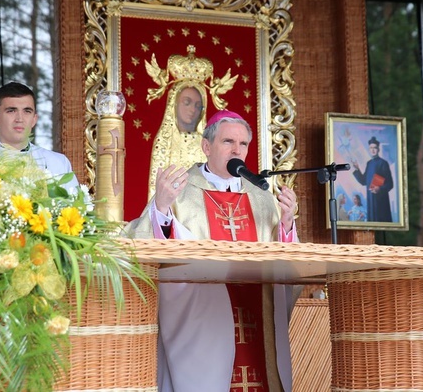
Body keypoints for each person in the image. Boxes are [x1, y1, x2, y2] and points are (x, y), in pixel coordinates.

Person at [125, 110, 298, 392]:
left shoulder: (263, 198)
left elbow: (284, 260)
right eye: (228, 141)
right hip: (203, 318)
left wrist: (287, 223)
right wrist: (162, 209)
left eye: (243, 144)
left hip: (256, 312)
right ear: (207, 147)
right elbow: (148, 243)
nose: (237, 150)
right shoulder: (180, 189)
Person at [0, 82, 78, 190]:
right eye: (11, 111)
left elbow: (75, 206)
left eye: (27, 111)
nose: (19, 119)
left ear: (34, 119)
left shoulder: (58, 163)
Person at [148, 83, 207, 199]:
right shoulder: (164, 141)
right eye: (187, 103)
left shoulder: (205, 144)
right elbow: (155, 187)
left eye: (198, 106)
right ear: (174, 104)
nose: (192, 109)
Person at [351, 136, 394, 222]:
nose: (373, 150)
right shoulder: (369, 163)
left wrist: (379, 189)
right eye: (371, 148)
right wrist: (357, 169)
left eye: (375, 148)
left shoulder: (383, 163)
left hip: (381, 201)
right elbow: (364, 181)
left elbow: (390, 184)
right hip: (371, 201)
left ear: (378, 149)